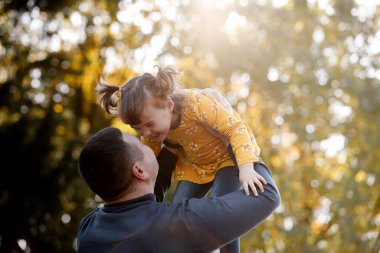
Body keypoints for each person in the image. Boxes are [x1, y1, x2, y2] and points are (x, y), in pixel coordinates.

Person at [97, 66, 272, 253]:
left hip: (226, 160)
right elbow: (148, 161)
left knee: (224, 210)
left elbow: (236, 128)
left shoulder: (196, 104)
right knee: (178, 210)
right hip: (195, 165)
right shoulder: (150, 130)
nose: (145, 133)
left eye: (149, 125)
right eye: (138, 129)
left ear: (169, 105)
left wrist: (246, 168)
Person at [77, 127, 281, 253]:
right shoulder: (176, 226)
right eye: (142, 146)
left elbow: (142, 200)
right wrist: (235, 144)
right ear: (139, 170)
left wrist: (172, 149)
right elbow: (266, 196)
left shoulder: (88, 231)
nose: (148, 145)